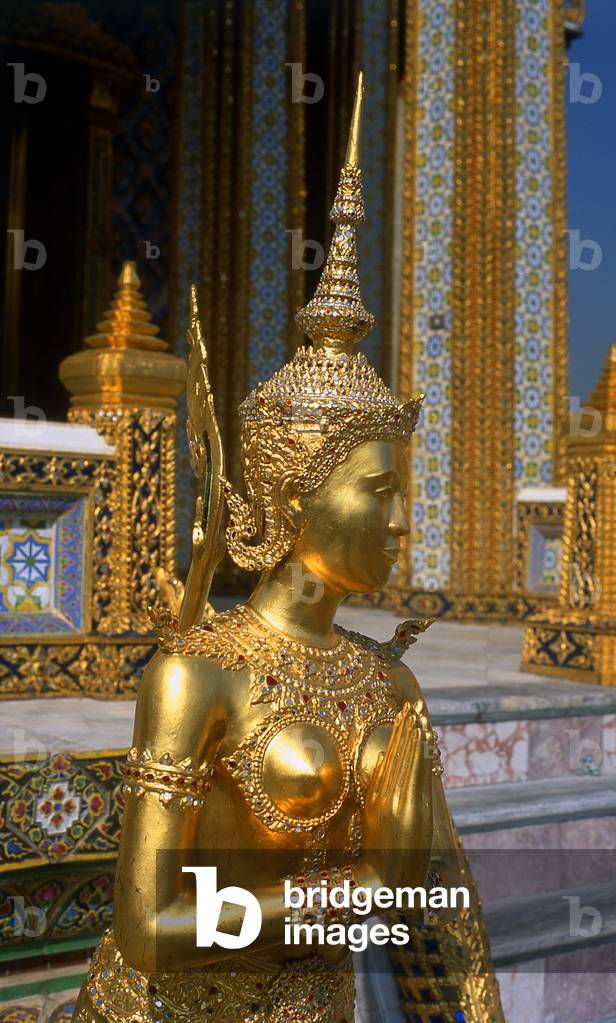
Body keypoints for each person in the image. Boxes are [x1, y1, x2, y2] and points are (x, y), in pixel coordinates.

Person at [74, 74, 505, 1023]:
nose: (401, 524)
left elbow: (438, 908)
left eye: (406, 496)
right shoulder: (199, 673)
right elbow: (148, 923)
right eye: (380, 492)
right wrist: (351, 895)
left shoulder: (388, 687)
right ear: (289, 493)